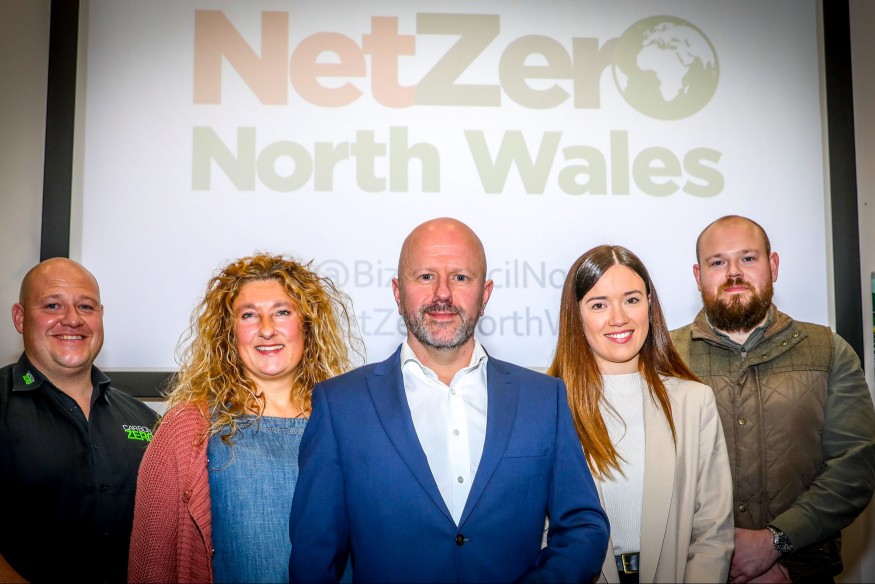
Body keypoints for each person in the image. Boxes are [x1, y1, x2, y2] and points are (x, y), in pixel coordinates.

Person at [289, 217, 610, 583]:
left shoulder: (543, 398)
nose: (442, 293)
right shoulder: (340, 405)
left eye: (460, 277)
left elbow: (584, 527)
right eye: (425, 276)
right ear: (397, 292)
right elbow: (315, 556)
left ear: (485, 294)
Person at [128, 253, 362, 583]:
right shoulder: (187, 429)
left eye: (282, 312)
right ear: (229, 332)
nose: (267, 330)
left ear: (307, 325)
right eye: (249, 315)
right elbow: (152, 562)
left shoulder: (348, 420)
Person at [670, 215, 875, 583]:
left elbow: (854, 468)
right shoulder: (663, 358)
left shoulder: (829, 351)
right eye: (718, 262)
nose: (734, 272)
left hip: (802, 573)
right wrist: (706, 560)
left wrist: (776, 544)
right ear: (698, 276)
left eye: (748, 258)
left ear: (773, 265)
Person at [548, 245, 734, 583]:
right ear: (576, 315)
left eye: (631, 300)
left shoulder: (694, 402)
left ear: (649, 304)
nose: (619, 317)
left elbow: (712, 533)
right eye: (599, 304)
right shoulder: (548, 406)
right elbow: (538, 533)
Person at [0, 257, 159, 583]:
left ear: (101, 316)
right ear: (20, 317)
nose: (72, 319)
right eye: (53, 305)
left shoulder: (146, 419)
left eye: (86, 307)